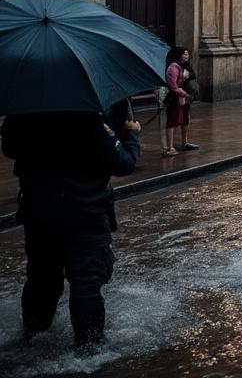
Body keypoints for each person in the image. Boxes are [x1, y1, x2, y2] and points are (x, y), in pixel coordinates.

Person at [2, 100, 141, 349]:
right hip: (84, 212)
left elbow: (10, 147)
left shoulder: (24, 110)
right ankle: (89, 349)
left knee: (41, 277)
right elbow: (122, 163)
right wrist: (131, 135)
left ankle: (32, 335)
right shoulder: (87, 117)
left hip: (39, 212)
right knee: (86, 280)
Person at [163, 46, 199, 156]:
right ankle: (169, 147)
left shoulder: (185, 66)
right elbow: (173, 86)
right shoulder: (173, 67)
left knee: (186, 119)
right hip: (174, 97)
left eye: (187, 54)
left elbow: (192, 76)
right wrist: (184, 93)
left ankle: (185, 142)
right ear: (179, 55)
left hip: (184, 97)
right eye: (184, 54)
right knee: (171, 121)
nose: (186, 56)